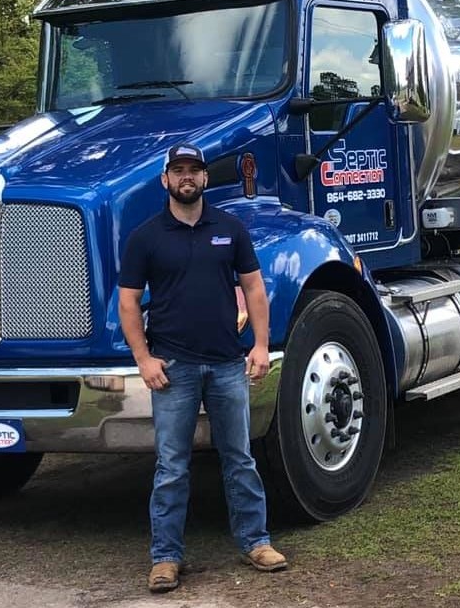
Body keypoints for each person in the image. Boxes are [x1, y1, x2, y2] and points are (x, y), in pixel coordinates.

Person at [118, 143, 287, 594]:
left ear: (206, 178)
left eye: (194, 169)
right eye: (178, 170)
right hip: (173, 368)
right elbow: (129, 303)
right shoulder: (146, 237)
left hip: (228, 364)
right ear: (166, 180)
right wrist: (143, 359)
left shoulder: (230, 230)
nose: (187, 177)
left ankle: (256, 542)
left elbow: (253, 288)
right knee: (172, 467)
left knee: (240, 459)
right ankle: (166, 558)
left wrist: (260, 346)